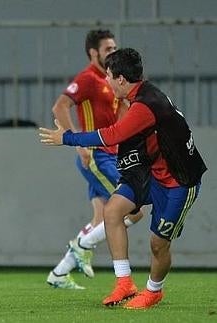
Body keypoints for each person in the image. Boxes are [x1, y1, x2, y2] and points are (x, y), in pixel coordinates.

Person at [39, 47, 207, 309]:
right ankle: (124, 284)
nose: (106, 81)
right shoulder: (140, 95)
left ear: (120, 79)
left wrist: (67, 138)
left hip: (178, 183)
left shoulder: (145, 105)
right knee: (113, 211)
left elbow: (112, 136)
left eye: (108, 76)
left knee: (157, 245)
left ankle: (153, 291)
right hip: (152, 176)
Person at [46, 29, 142, 289]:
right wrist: (78, 144)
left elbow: (118, 115)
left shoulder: (110, 80)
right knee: (135, 208)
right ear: (93, 52)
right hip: (98, 156)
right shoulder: (88, 78)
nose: (113, 52)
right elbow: (59, 106)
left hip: (111, 153)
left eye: (114, 48)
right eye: (108, 49)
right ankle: (82, 246)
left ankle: (59, 273)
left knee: (100, 217)